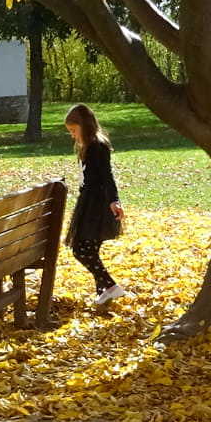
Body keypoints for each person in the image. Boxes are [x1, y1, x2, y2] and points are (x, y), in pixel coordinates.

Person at [63, 104, 128, 309]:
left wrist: (114, 200)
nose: (72, 135)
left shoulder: (97, 146)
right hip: (88, 203)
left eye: (74, 130)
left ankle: (110, 286)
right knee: (89, 250)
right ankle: (103, 292)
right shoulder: (87, 146)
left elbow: (107, 176)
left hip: (96, 206)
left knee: (80, 250)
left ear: (85, 125)